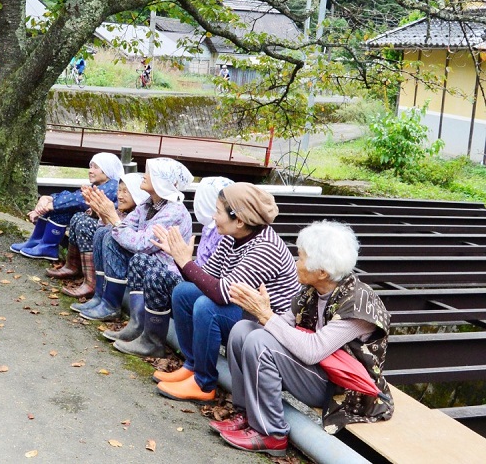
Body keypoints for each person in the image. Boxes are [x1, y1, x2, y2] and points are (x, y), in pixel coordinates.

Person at [214, 220, 393, 457]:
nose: (295, 263)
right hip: (316, 370)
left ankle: (272, 433)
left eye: (300, 258)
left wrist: (266, 315)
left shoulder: (359, 304)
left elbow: (313, 351)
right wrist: (262, 314)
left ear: (322, 272)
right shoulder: (311, 290)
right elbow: (281, 326)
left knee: (260, 342)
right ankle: (245, 413)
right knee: (242, 331)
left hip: (342, 389)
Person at [151, 183, 301, 402]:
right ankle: (192, 366)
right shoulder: (233, 237)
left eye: (218, 212)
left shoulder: (265, 248)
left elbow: (221, 294)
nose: (213, 217)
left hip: (266, 329)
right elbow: (204, 279)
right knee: (184, 293)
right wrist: (180, 258)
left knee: (207, 307)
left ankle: (204, 383)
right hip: (243, 312)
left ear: (239, 220)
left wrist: (185, 261)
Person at [106, 176, 234, 352]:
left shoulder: (219, 232)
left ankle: (154, 342)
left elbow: (141, 243)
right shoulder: (209, 228)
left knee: (156, 273)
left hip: (197, 284)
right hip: (191, 276)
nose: (143, 176)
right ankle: (137, 325)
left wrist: (182, 260)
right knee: (138, 260)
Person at [79, 158, 194, 323]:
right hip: (141, 260)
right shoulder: (147, 204)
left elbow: (142, 244)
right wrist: (105, 214)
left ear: (164, 181)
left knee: (114, 237)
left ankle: (113, 306)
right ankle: (101, 297)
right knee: (105, 233)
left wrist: (113, 217)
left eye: (150, 173)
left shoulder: (174, 211)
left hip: (162, 270)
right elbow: (125, 226)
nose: (144, 176)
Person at [11, 153, 124, 261]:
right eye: (90, 167)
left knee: (62, 209)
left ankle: (47, 246)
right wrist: (49, 198)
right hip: (93, 219)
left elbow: (79, 200)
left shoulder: (112, 185)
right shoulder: (100, 185)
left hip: (104, 224)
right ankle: (37, 242)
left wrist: (51, 205)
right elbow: (74, 195)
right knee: (59, 207)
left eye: (95, 167)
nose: (90, 171)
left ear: (107, 169)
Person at [55, 172, 149, 301]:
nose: (120, 196)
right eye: (119, 191)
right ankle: (74, 268)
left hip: (129, 264)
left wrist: (108, 216)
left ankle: (92, 283)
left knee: (87, 225)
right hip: (112, 256)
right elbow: (105, 227)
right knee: (79, 218)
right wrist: (98, 210)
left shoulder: (139, 215)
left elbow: (124, 237)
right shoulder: (122, 211)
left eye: (125, 192)